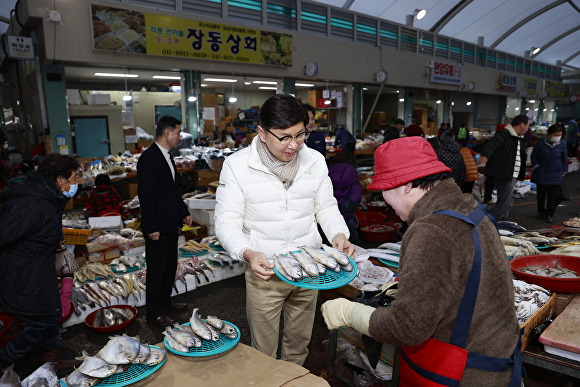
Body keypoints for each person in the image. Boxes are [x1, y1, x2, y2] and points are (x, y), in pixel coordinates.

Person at [321, 137, 522, 386]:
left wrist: (349, 312)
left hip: (466, 373)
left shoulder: (431, 230)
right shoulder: (469, 208)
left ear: (406, 185)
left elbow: (407, 327)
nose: (385, 199)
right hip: (499, 358)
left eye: (385, 189)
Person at [214, 93, 354, 365]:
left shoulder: (314, 160)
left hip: (310, 268)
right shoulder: (238, 166)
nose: (294, 145)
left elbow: (325, 206)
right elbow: (226, 222)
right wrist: (247, 253)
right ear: (262, 133)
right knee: (264, 349)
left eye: (300, 135)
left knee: (298, 342)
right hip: (265, 271)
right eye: (284, 137)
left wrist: (339, 234)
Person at [0, 154, 82, 374]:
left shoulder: (48, 199)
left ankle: (51, 362)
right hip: (22, 274)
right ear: (59, 180)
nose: (76, 183)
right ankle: (5, 358)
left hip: (39, 269)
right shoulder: (31, 205)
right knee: (42, 322)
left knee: (51, 315)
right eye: (73, 178)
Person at [137, 116, 192, 327]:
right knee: (157, 270)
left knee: (169, 266)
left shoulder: (167, 156)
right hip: (157, 226)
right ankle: (154, 312)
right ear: (167, 133)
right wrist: (151, 226)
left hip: (170, 222)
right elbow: (146, 196)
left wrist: (183, 212)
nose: (180, 137)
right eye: (178, 133)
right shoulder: (149, 158)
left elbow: (172, 191)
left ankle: (165, 301)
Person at [477, 115, 529, 221]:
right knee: (503, 203)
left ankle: (501, 222)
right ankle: (495, 225)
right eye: (527, 125)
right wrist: (484, 156)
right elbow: (492, 144)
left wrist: (519, 175)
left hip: (512, 175)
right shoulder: (505, 134)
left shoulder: (518, 138)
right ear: (521, 125)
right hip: (505, 174)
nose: (528, 129)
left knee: (507, 202)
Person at [531, 124, 568, 223]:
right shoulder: (540, 143)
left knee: (553, 196)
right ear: (549, 134)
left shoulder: (563, 144)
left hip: (556, 173)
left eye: (560, 134)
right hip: (541, 172)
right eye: (556, 134)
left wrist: (564, 171)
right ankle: (541, 211)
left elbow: (564, 158)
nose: (557, 136)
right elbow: (534, 156)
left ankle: (550, 214)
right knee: (541, 194)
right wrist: (536, 166)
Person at [327, 152, 363, 243]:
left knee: (329, 243)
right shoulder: (353, 173)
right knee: (351, 244)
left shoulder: (329, 171)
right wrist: (346, 213)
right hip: (348, 218)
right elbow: (356, 196)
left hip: (328, 217)